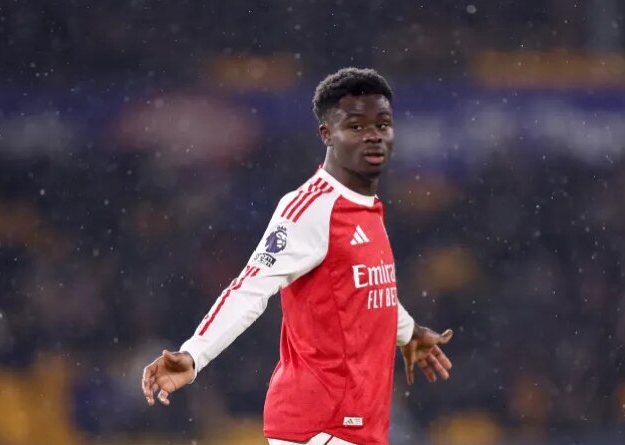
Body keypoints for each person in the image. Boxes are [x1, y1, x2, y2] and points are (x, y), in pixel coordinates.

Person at [142, 67, 454, 445]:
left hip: (353, 426)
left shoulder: (368, 209)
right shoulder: (310, 208)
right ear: (327, 134)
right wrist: (194, 355)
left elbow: (370, 292)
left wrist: (410, 333)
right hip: (319, 426)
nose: (373, 135)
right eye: (355, 126)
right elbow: (250, 287)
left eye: (382, 124)